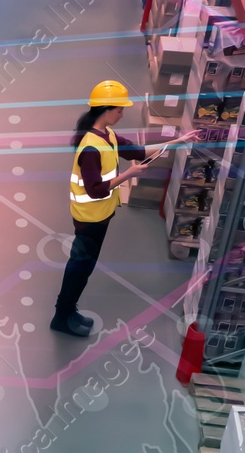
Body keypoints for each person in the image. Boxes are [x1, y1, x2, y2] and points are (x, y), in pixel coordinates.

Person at [53, 80, 196, 338]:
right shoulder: (90, 147)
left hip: (101, 214)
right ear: (106, 109)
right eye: (119, 109)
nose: (122, 113)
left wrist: (179, 141)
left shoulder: (107, 135)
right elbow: (95, 189)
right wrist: (129, 174)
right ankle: (62, 316)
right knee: (80, 266)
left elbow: (138, 152)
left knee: (85, 266)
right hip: (90, 218)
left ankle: (68, 310)